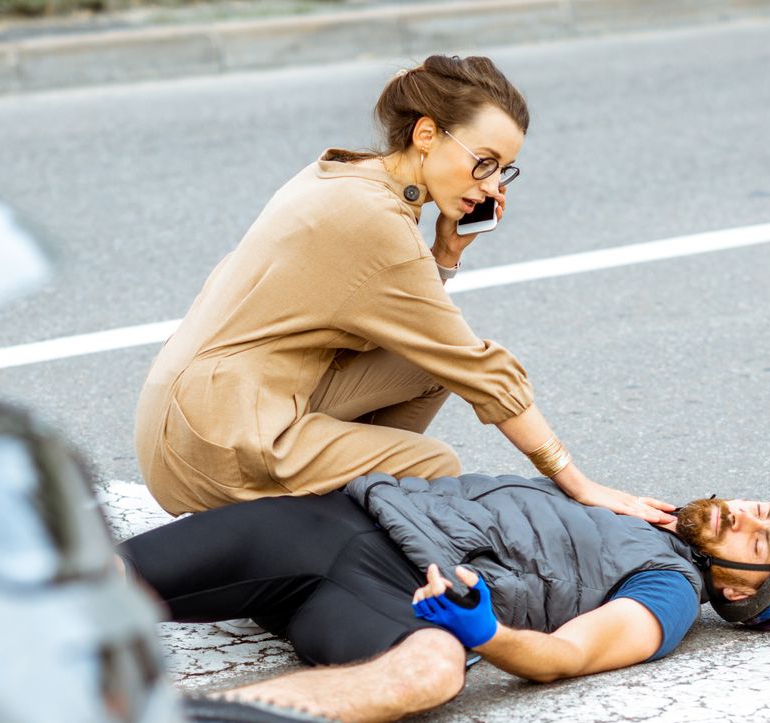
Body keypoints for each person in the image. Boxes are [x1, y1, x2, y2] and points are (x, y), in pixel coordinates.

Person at [132, 54, 672, 528]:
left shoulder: (346, 175)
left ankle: (336, 510)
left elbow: (411, 330)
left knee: (424, 371)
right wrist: (579, 483)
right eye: (483, 162)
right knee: (431, 469)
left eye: (505, 171)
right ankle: (331, 530)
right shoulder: (374, 222)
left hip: (199, 408)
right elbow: (476, 367)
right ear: (427, 134)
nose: (491, 186)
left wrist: (445, 255)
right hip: (215, 437)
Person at [118, 473, 770, 723]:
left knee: (434, 671)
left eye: (762, 543)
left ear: (734, 588)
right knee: (86, 586)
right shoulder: (633, 504)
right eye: (760, 508)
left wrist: (484, 630)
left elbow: (566, 654)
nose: (747, 519)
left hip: (400, 601)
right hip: (335, 521)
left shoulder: (669, 591)